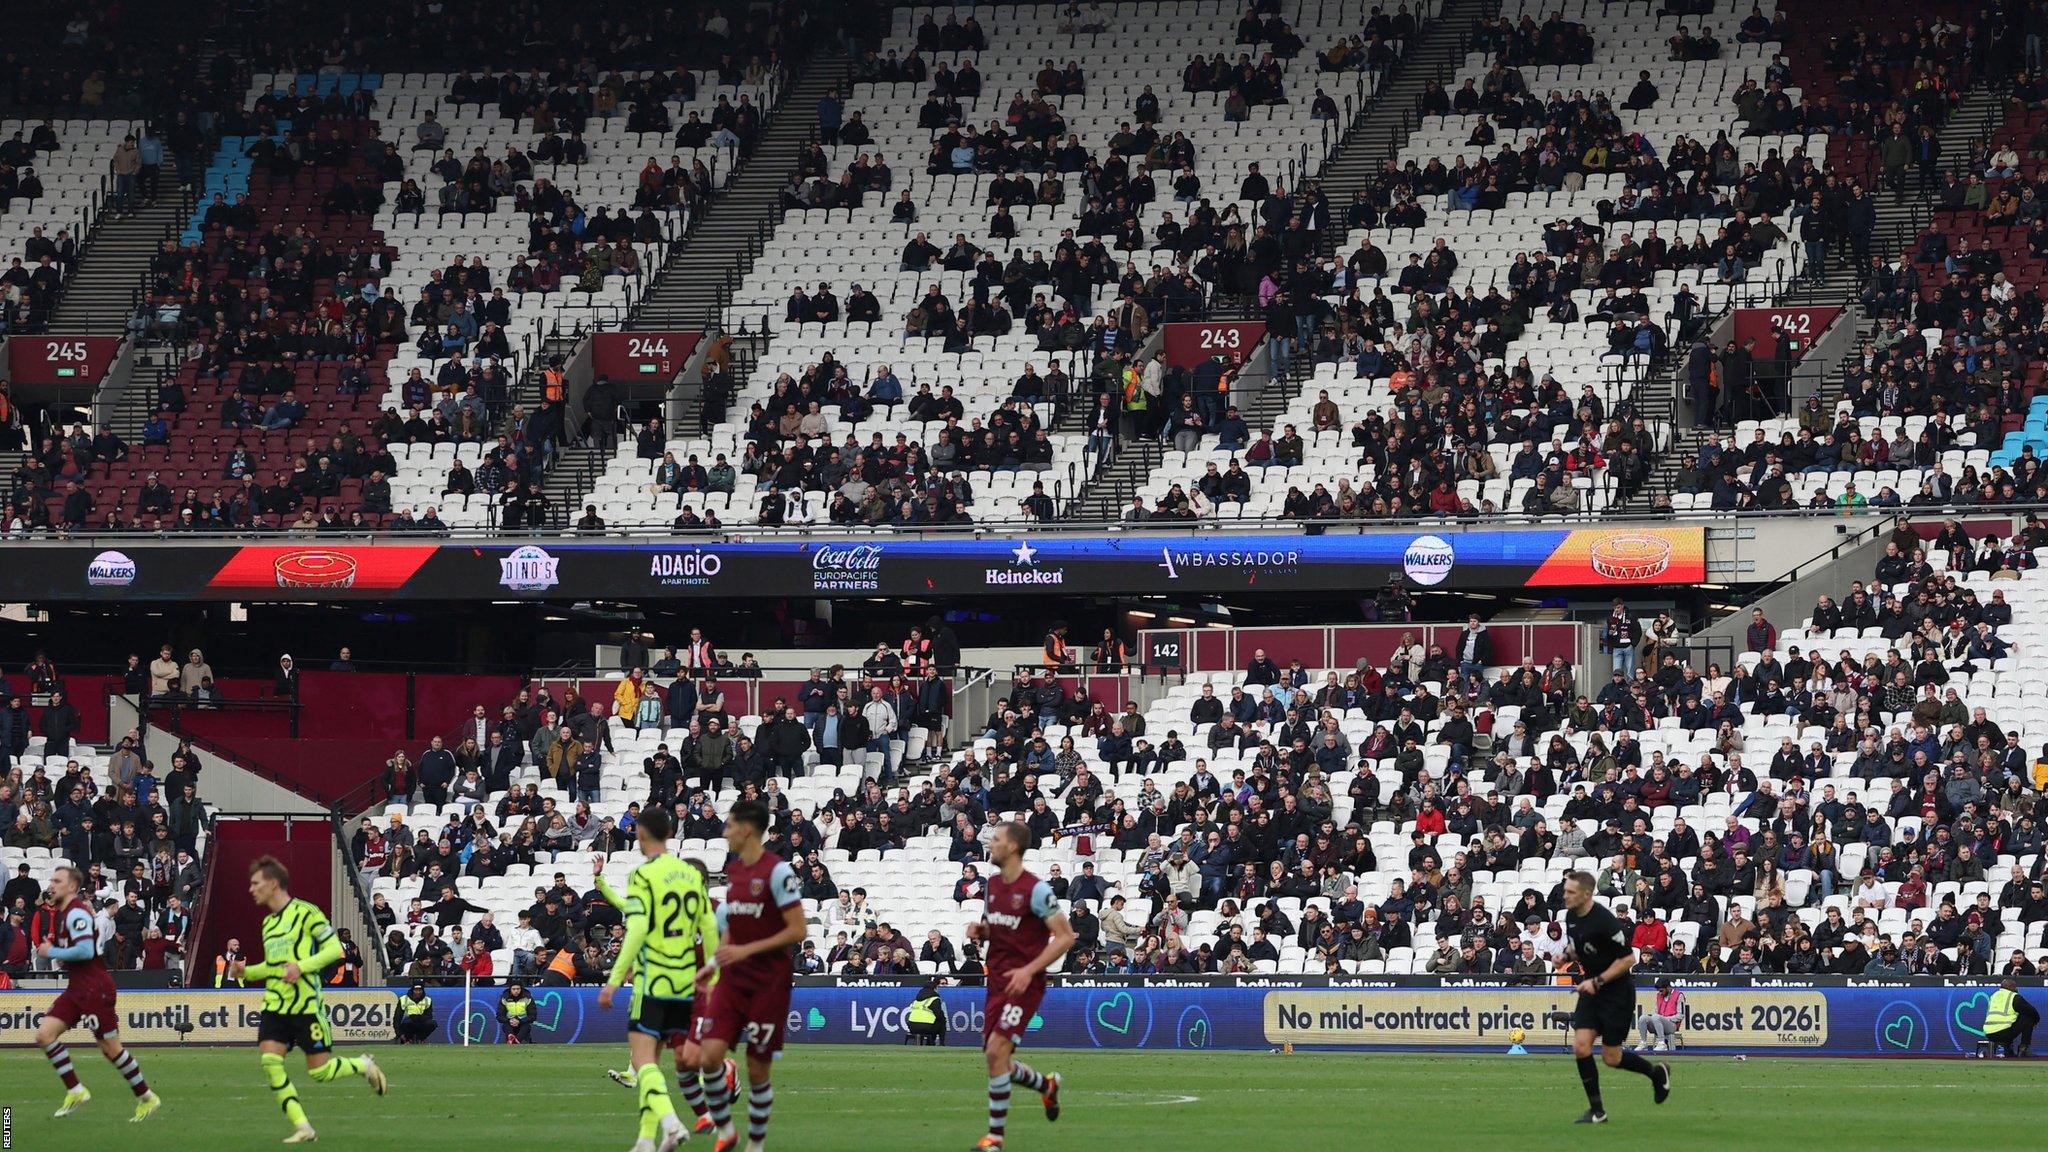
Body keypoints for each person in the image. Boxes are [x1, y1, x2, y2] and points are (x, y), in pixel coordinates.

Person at [232, 855, 388, 1143]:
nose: (251, 889)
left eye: (256, 883)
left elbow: (334, 951)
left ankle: (362, 1065)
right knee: (270, 1061)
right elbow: (274, 967)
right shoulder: (268, 924)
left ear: (273, 883)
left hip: (306, 1006)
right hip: (275, 1005)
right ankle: (303, 1126)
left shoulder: (307, 913)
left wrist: (301, 967)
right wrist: (247, 971)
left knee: (320, 1072)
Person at [596, 806, 716, 1152]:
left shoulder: (642, 875)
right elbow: (708, 926)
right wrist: (713, 972)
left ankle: (673, 1125)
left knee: (643, 1060)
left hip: (653, 983)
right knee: (655, 1062)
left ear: (642, 834)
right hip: (686, 985)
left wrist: (615, 981)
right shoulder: (691, 874)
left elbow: (634, 932)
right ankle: (646, 1140)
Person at [698, 800, 807, 1152]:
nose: (725, 832)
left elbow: (798, 930)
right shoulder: (734, 872)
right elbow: (733, 928)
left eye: (729, 826)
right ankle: (727, 1131)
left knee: (757, 1070)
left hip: (768, 982)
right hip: (732, 979)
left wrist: (745, 951)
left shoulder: (778, 872)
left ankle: (755, 1145)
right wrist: (713, 964)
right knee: (709, 1056)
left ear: (746, 829)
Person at [965, 821, 1076, 1150]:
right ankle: (1047, 1085)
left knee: (996, 1051)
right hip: (997, 980)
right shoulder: (993, 885)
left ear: (1012, 847)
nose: (991, 843)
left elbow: (1066, 936)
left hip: (1024, 983)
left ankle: (994, 1140)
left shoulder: (1036, 890)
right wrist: (981, 932)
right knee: (995, 1058)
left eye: (996, 839)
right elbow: (996, 929)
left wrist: (1029, 970)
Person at [36, 864, 162, 1120]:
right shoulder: (65, 914)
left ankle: (147, 1097)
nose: (51, 884)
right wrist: (64, 958)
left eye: (57, 880)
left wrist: (54, 953)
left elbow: (85, 951)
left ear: (72, 886)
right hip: (77, 987)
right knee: (44, 1034)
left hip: (95, 988)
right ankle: (76, 1089)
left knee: (110, 1048)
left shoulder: (76, 913)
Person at [1562, 871, 1669, 1123]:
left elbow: (1628, 959)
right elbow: (1579, 948)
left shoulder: (1604, 920)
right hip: (1592, 990)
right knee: (1581, 1045)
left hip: (1616, 993)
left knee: (1612, 1057)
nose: (1565, 896)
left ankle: (1655, 1073)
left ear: (1586, 894)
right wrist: (1565, 957)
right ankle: (1597, 1111)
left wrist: (1597, 981)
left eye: (1570, 892)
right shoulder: (1570, 916)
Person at [1983, 976, 2038, 1057]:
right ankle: (2024, 1049)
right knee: (2029, 1018)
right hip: (2004, 1033)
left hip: (1988, 1033)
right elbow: (2031, 1011)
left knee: (2010, 1021)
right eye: (2015, 987)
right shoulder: (2014, 996)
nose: (2017, 989)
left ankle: (2008, 1050)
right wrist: (2036, 1020)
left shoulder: (1993, 996)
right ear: (2011, 987)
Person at [1634, 977, 1684, 1051]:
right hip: (1659, 1022)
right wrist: (1657, 1018)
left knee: (1656, 1017)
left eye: (1661, 990)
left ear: (1668, 988)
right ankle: (1643, 1043)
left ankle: (1662, 1043)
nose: (1660, 993)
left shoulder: (1679, 995)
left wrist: (1665, 1018)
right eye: (1658, 991)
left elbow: (1681, 1015)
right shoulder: (1659, 996)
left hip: (1672, 1025)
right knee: (1643, 1018)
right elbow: (1657, 1013)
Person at [906, 978, 949, 1046]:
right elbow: (939, 1014)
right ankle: (940, 1044)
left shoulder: (917, 999)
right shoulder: (934, 999)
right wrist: (943, 1019)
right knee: (941, 1022)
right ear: (935, 988)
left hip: (912, 1027)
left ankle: (930, 1043)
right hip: (926, 1027)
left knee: (935, 1023)